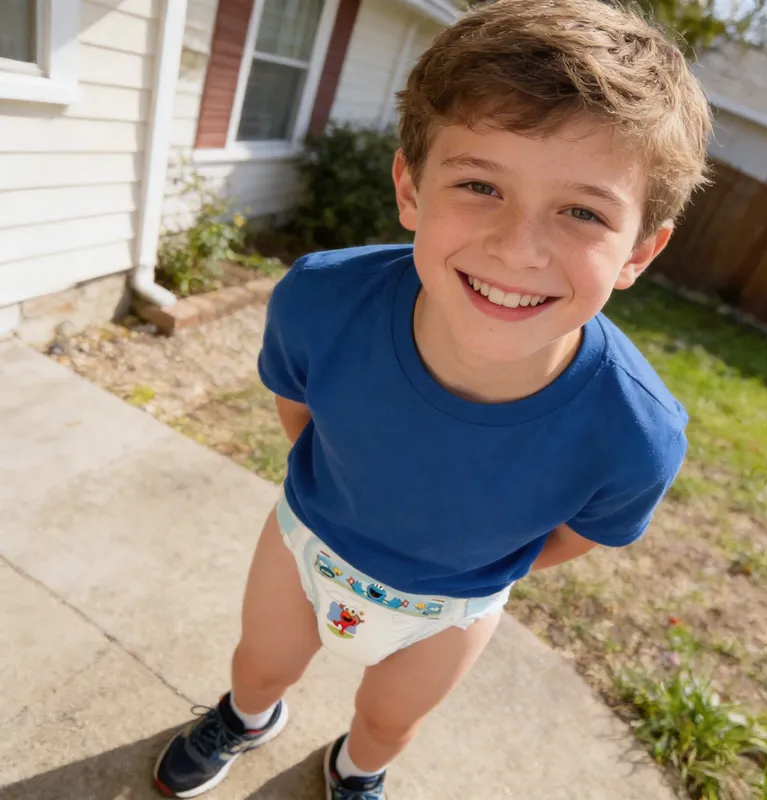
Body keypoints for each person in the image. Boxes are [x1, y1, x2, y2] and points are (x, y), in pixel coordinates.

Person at [154, 0, 711, 796]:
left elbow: (577, 534)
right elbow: (303, 414)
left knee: (390, 721)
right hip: (306, 543)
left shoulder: (635, 433)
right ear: (411, 188)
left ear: (639, 253)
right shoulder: (322, 302)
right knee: (259, 664)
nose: (517, 248)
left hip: (450, 607)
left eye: (583, 212)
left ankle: (357, 771)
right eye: (480, 184)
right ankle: (246, 719)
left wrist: (468, 561)